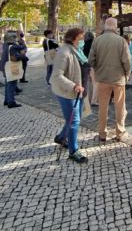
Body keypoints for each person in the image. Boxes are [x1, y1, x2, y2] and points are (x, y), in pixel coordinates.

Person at [88, 17, 131, 142]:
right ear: (115, 27)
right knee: (120, 106)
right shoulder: (121, 41)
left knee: (102, 107)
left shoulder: (97, 40)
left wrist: (98, 70)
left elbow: (91, 60)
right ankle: (120, 132)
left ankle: (102, 133)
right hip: (118, 78)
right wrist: (127, 74)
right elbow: (127, 61)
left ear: (105, 26)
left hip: (102, 78)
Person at [51, 28, 88, 164]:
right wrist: (73, 86)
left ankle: (61, 137)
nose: (83, 40)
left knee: (73, 119)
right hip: (68, 93)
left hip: (79, 92)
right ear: (73, 38)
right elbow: (56, 76)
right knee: (74, 121)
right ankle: (73, 151)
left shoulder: (77, 51)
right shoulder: (64, 52)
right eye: (81, 37)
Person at [0, 31, 28, 108]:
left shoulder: (5, 45)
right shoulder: (13, 46)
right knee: (12, 84)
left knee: (8, 84)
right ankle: (11, 102)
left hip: (5, 66)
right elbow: (15, 57)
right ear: (13, 38)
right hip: (12, 66)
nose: (16, 39)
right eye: (15, 37)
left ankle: (7, 100)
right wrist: (24, 56)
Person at [82, 31, 98, 106]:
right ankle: (94, 100)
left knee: (88, 83)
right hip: (93, 66)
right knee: (95, 83)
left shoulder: (84, 45)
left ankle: (88, 99)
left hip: (85, 66)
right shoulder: (94, 44)